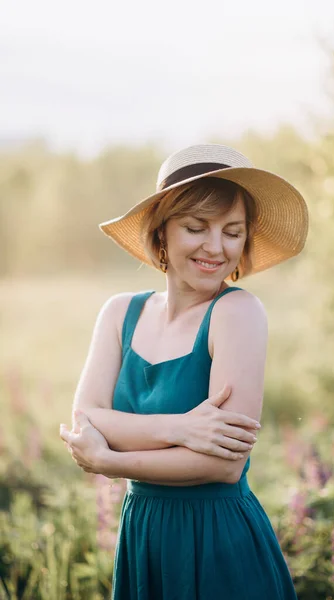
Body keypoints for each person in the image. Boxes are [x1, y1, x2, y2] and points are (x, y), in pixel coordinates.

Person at [60, 143, 309, 599]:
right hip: (145, 536)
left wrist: (111, 460)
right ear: (162, 235)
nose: (216, 248)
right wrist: (183, 428)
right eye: (197, 227)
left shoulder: (238, 313)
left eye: (232, 232)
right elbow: (87, 419)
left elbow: (224, 465)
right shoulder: (120, 313)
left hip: (217, 542)